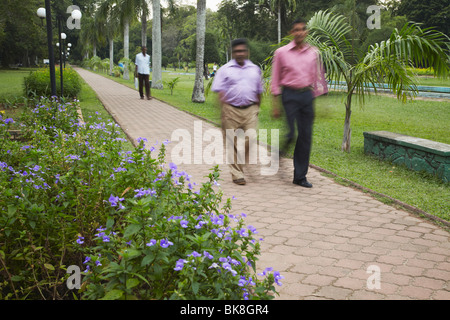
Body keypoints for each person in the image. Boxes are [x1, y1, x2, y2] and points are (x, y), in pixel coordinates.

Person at [271, 18, 328, 188]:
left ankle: (300, 176)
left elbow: (319, 75)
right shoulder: (281, 52)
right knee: (291, 133)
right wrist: (275, 104)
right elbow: (275, 80)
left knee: (305, 136)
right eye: (296, 30)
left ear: (306, 32)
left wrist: (321, 96)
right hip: (289, 95)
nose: (299, 32)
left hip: (307, 96)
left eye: (302, 29)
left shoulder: (314, 53)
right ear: (291, 32)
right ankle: (279, 153)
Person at [211, 38, 264, 185]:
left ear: (247, 52)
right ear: (232, 53)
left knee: (251, 138)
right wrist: (223, 111)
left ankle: (239, 166)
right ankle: (236, 174)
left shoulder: (255, 69)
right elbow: (220, 91)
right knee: (231, 142)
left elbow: (259, 90)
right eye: (236, 51)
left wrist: (257, 108)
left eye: (242, 51)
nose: (239, 54)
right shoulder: (224, 70)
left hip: (250, 109)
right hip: (230, 109)